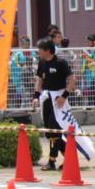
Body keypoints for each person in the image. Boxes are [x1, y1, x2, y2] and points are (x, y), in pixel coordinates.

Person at [32, 38, 73, 171]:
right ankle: (70, 158)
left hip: (58, 99)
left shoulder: (60, 63)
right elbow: (40, 81)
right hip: (46, 99)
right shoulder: (42, 62)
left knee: (54, 129)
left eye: (40, 49)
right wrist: (36, 97)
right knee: (50, 132)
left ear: (48, 50)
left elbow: (72, 80)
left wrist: (64, 96)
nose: (38, 51)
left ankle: (52, 160)